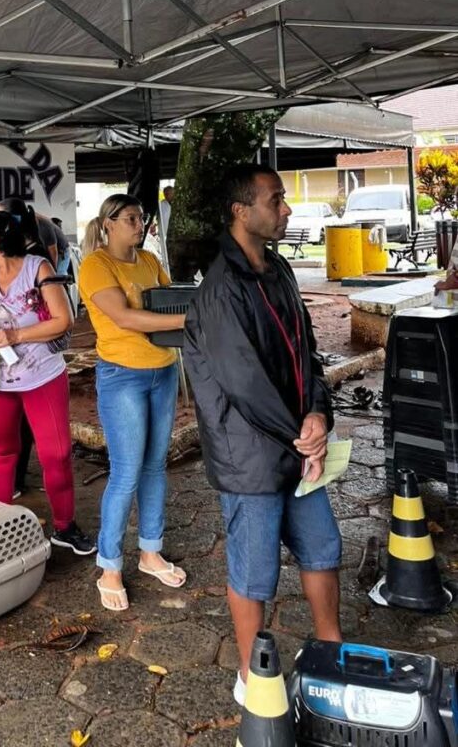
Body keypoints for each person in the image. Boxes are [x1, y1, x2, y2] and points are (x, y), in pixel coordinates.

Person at [180, 164, 342, 706]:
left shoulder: (280, 270)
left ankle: (332, 653)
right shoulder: (220, 290)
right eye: (276, 200)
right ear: (241, 211)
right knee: (254, 573)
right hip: (250, 456)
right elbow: (244, 384)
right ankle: (254, 680)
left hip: (298, 444)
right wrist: (305, 437)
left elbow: (306, 352)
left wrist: (318, 414)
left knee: (322, 548)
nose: (287, 209)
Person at [0, 211, 95, 555]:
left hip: (42, 377)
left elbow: (64, 320)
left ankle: (64, 526)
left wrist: (16, 335)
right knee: (1, 452)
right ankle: (0, 530)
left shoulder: (38, 268)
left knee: (56, 454)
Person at [78, 194, 188, 611]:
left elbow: (169, 298)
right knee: (126, 472)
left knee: (156, 465)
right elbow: (123, 317)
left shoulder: (148, 260)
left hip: (163, 370)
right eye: (130, 219)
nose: (139, 225)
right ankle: (109, 566)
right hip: (122, 375)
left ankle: (150, 551)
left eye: (141, 218)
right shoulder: (96, 265)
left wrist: (189, 312)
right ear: (108, 223)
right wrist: (187, 320)